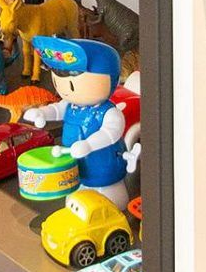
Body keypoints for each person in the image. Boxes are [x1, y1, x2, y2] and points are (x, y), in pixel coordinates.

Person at [23, 35, 132, 208]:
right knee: (76, 188)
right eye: (58, 82)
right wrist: (41, 113)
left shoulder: (108, 112)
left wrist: (89, 144)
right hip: (74, 165)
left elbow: (111, 132)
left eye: (71, 84)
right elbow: (56, 109)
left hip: (103, 164)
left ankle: (112, 204)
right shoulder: (71, 105)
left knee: (109, 196)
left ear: (111, 79)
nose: (66, 91)